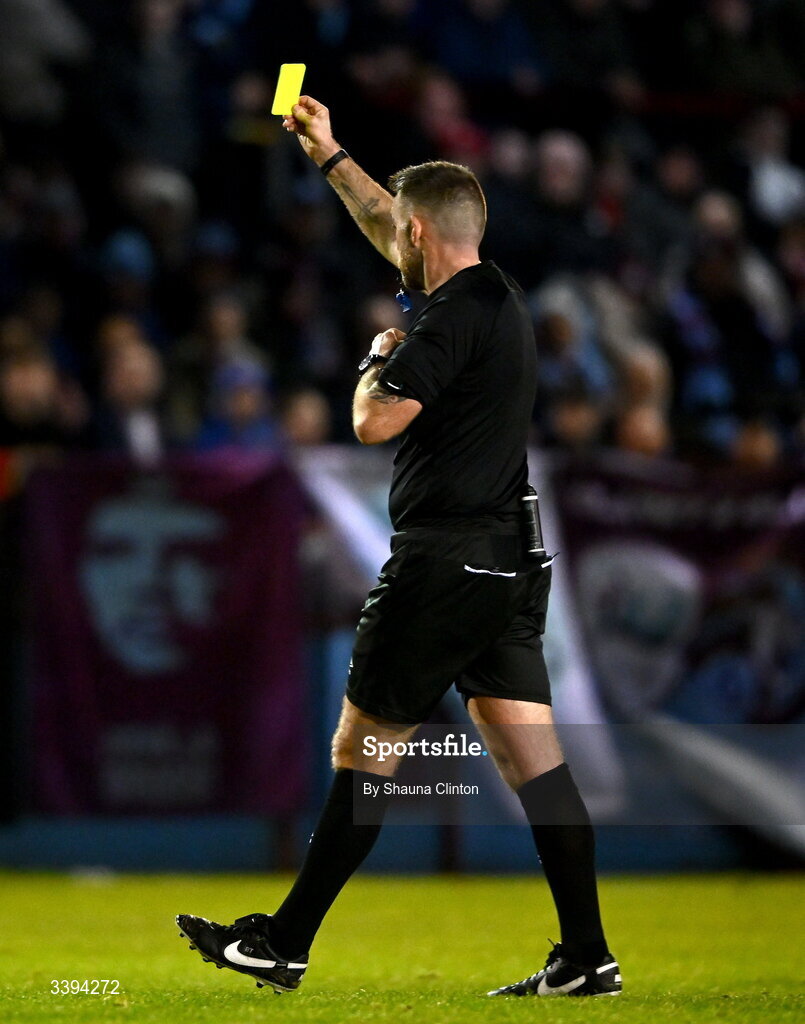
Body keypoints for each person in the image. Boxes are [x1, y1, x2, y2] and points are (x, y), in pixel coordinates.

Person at [176, 94, 620, 999]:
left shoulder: (448, 318)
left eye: (402, 234)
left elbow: (375, 421)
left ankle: (283, 941)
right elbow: (393, 219)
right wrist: (330, 155)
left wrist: (376, 356)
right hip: (504, 563)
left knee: (363, 749)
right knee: (534, 768)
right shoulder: (491, 294)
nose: (394, 244)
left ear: (423, 234)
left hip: (445, 561)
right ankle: (586, 956)